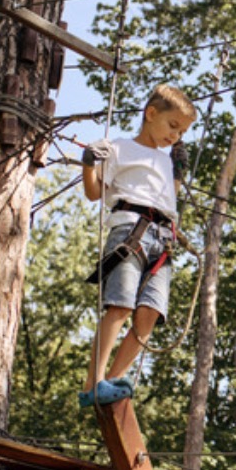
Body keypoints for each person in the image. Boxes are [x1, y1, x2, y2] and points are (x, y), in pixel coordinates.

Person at [78, 83, 197, 406]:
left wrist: (178, 173)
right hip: (131, 230)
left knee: (150, 314)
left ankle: (114, 379)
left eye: (182, 132)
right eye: (172, 126)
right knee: (121, 305)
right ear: (151, 113)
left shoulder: (166, 160)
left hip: (163, 238)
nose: (175, 136)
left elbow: (167, 197)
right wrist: (88, 164)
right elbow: (94, 193)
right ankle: (94, 382)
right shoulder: (119, 148)